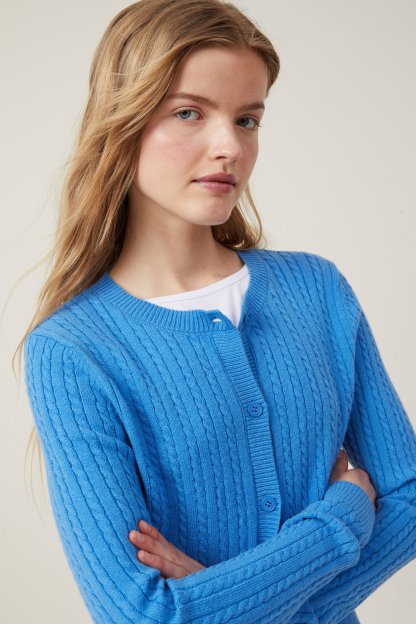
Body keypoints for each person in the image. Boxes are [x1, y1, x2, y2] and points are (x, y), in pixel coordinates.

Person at [18, 1, 416, 622]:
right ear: (123, 123)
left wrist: (232, 601)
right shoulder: (74, 350)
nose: (229, 146)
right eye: (189, 113)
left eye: (247, 119)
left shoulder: (317, 291)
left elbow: (408, 497)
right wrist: (338, 521)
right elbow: (142, 614)